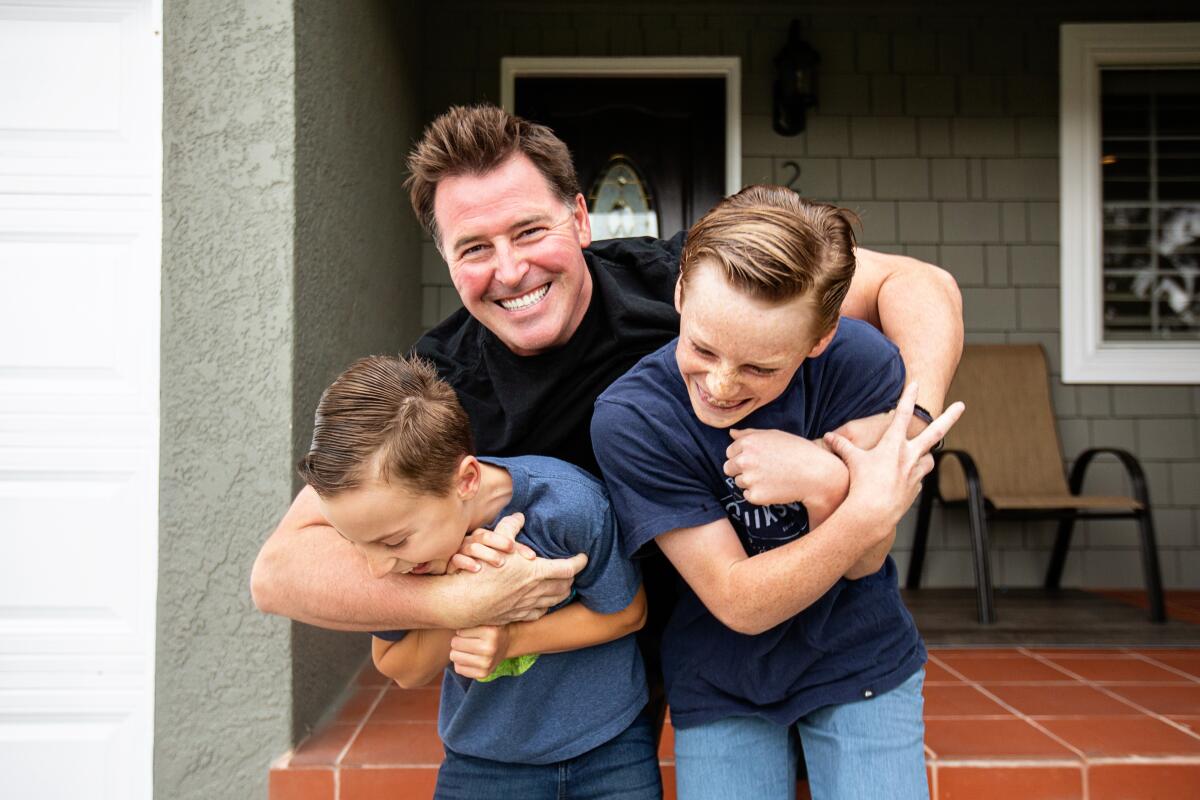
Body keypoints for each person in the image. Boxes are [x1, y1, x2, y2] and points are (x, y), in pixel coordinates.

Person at [250, 105, 963, 731]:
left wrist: (896, 448)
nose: (509, 270)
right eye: (473, 248)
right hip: (589, 672)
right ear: (445, 258)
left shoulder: (683, 278)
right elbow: (278, 571)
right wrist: (464, 597)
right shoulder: (439, 386)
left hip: (775, 625)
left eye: (529, 230)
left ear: (581, 217)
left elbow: (918, 284)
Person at [591, 186, 963, 799]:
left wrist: (822, 481)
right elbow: (740, 601)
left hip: (860, 653)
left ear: (819, 339)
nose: (719, 383)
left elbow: (867, 560)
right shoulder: (634, 417)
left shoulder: (859, 362)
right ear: (681, 293)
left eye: (760, 368)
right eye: (703, 348)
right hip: (720, 676)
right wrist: (856, 494)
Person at [299, 354, 659, 799]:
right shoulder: (404, 552)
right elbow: (400, 668)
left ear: (466, 480)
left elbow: (628, 614)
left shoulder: (570, 506)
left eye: (394, 542)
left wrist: (511, 641)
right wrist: (459, 597)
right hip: (482, 763)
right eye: (357, 545)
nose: (377, 568)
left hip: (610, 748)